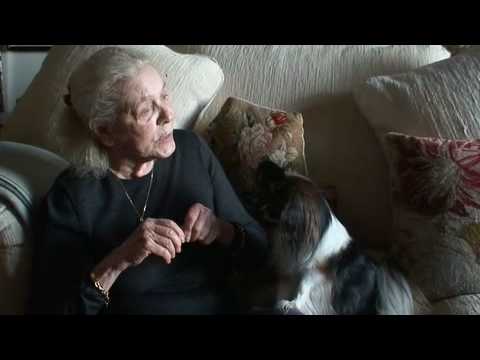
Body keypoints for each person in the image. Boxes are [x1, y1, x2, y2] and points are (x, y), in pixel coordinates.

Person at [29, 47, 268, 315]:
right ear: (105, 132)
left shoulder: (191, 151)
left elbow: (261, 252)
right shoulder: (74, 196)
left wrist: (221, 229)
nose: (168, 114)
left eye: (164, 95)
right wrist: (118, 261)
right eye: (145, 111)